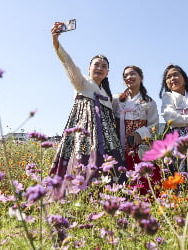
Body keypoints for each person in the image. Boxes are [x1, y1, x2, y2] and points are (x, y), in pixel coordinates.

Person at [49, 21, 126, 191]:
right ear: (89, 68)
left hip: (107, 139)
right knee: (83, 164)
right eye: (96, 64)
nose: (100, 68)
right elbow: (69, 64)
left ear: (107, 72)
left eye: (104, 66)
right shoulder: (82, 83)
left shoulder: (108, 95)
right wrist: (56, 42)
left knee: (108, 166)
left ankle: (109, 195)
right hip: (85, 135)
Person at [112, 66, 161, 195]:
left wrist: (140, 133)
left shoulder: (149, 102)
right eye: (126, 76)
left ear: (141, 77)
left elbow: (154, 126)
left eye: (133, 74)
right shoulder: (116, 100)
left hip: (139, 146)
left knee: (143, 182)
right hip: (119, 146)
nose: (129, 77)